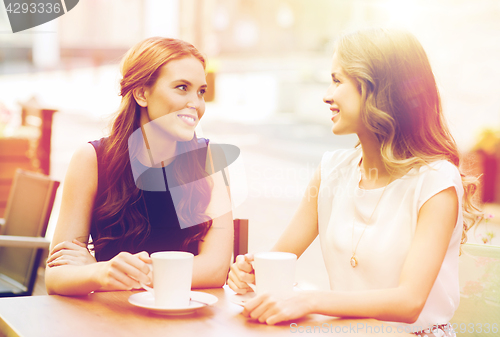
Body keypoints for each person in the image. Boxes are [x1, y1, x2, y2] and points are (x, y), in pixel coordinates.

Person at [227, 28, 482, 336]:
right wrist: (251, 271)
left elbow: (409, 302)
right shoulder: (331, 171)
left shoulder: (436, 182)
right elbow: (280, 258)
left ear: (378, 90)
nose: (327, 95)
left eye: (338, 81)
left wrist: (309, 300)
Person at [45, 37, 234, 296]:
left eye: (201, 91)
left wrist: (107, 271)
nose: (196, 104)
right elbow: (56, 275)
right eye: (182, 88)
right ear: (142, 93)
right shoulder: (91, 160)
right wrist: (100, 272)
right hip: (109, 322)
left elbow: (215, 269)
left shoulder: (209, 159)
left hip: (184, 318)